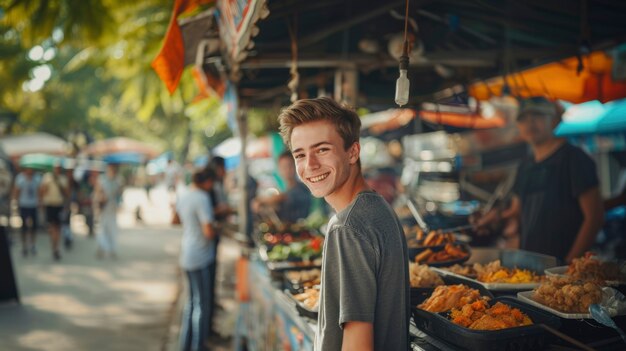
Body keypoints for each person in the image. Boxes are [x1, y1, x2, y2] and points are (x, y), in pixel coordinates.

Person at [278, 97, 409, 351]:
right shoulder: (378, 208)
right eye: (300, 154)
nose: (310, 165)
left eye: (322, 149)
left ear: (353, 152)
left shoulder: (347, 227)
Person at [475, 97, 604, 263]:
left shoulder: (574, 158)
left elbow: (595, 217)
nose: (530, 123)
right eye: (523, 118)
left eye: (537, 115)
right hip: (531, 265)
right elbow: (517, 210)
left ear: (555, 120)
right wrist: (495, 217)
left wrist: (569, 264)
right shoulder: (525, 165)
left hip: (563, 265)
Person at [176, 168, 218, 351]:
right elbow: (208, 232)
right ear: (207, 181)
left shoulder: (184, 194)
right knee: (201, 304)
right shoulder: (202, 197)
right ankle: (198, 346)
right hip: (200, 255)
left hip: (187, 252)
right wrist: (218, 228)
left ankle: (185, 345)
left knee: (191, 303)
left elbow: (175, 219)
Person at [253, 151, 312, 223]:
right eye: (283, 167)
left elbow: (282, 197)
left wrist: (261, 200)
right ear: (279, 169)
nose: (287, 170)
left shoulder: (302, 188)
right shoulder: (286, 189)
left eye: (290, 165)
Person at [39, 164, 69, 261]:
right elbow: (42, 191)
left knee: (58, 227)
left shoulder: (63, 179)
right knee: (52, 227)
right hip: (49, 204)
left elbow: (66, 193)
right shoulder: (47, 177)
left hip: (58, 205)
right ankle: (53, 245)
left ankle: (56, 247)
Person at [94, 164, 123, 259]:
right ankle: (102, 248)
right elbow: (98, 193)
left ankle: (111, 249)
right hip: (104, 208)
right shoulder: (102, 180)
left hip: (112, 207)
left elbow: (119, 194)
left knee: (112, 229)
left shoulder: (117, 181)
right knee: (103, 228)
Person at [12, 168, 40, 257]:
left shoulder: (37, 178)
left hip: (33, 205)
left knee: (34, 227)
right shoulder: (20, 178)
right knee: (24, 227)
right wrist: (15, 203)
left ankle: (33, 245)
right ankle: (24, 246)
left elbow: (40, 191)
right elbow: (16, 191)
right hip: (24, 205)